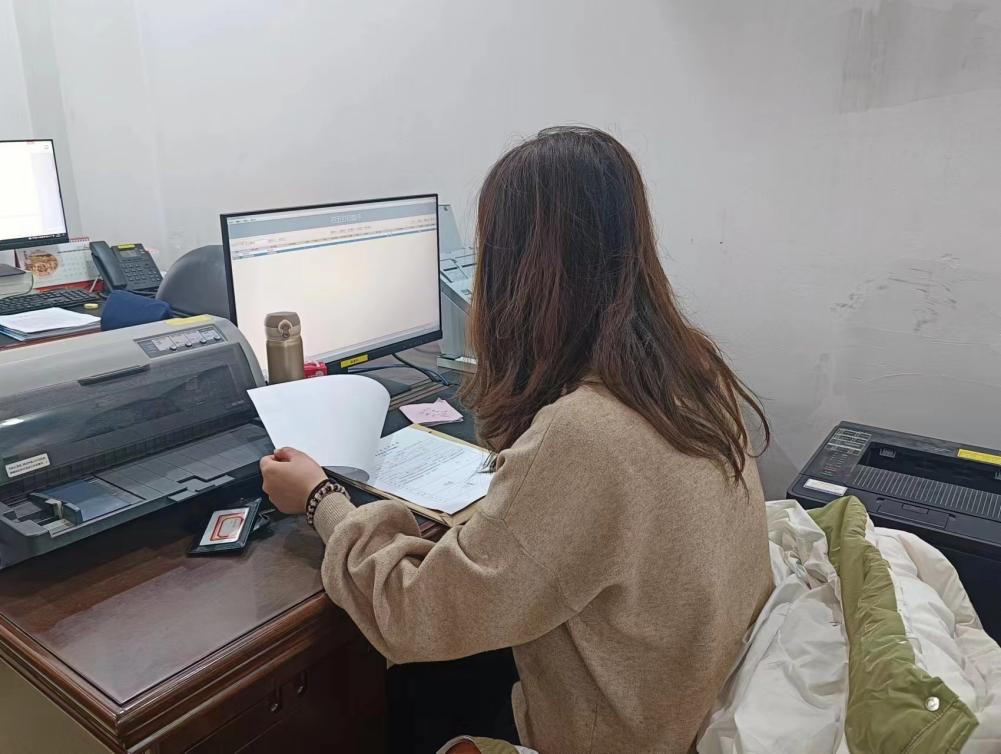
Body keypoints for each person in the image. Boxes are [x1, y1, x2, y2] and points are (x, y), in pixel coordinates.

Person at [261, 126, 773, 754]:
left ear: (520, 270)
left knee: (401, 685)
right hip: (677, 686)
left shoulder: (586, 434)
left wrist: (320, 498)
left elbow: (412, 614)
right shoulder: (691, 368)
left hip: (617, 730)